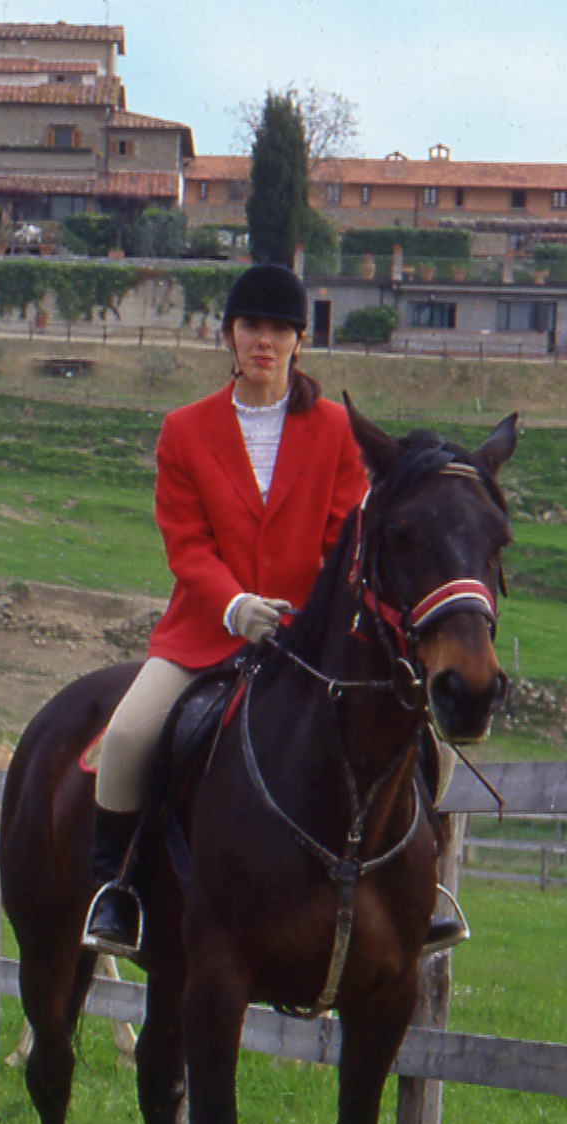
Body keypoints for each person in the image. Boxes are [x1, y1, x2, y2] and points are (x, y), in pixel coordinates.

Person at [83, 263, 370, 954]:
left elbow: (343, 538)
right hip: (205, 633)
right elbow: (186, 543)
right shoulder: (184, 430)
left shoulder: (337, 431)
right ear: (229, 336)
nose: (264, 340)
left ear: (302, 340)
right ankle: (114, 890)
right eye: (251, 326)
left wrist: (306, 617)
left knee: (406, 728)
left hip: (308, 641)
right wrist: (235, 605)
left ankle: (419, 888)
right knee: (124, 739)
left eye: (279, 328)